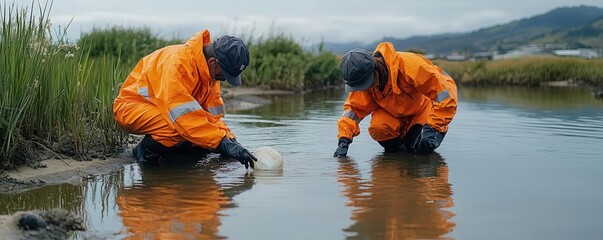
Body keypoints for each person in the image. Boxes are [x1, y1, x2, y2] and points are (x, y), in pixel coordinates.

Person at [113, 29, 257, 168]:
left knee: (204, 141)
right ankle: (144, 153)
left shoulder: (210, 75)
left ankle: (174, 156)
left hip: (161, 110)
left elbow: (212, 117)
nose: (225, 78)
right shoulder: (178, 64)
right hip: (130, 107)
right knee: (177, 127)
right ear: (213, 62)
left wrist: (230, 140)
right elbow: (183, 117)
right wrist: (221, 143)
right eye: (225, 73)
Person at [334, 42, 458, 157]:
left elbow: (446, 94)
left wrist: (434, 127)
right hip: (393, 116)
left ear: (375, 68)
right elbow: (354, 109)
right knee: (379, 129)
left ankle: (414, 143)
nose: (367, 87)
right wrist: (344, 140)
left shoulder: (410, 65)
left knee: (420, 149)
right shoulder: (364, 80)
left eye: (367, 83)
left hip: (421, 111)